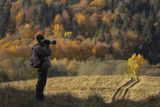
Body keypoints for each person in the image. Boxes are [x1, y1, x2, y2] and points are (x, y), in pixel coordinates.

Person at [32, 34, 52, 101]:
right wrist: (47, 45)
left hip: (43, 66)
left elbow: (47, 53)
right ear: (40, 40)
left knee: (43, 82)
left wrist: (46, 45)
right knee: (41, 81)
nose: (44, 41)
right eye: (43, 40)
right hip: (42, 66)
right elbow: (47, 53)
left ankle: (40, 96)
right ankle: (39, 97)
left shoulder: (40, 46)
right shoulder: (38, 47)